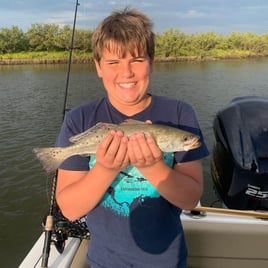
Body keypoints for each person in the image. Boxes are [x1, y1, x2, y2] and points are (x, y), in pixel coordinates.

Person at [55, 7, 209, 268]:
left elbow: (189, 199)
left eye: (136, 60)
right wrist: (105, 168)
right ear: (98, 67)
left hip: (169, 261)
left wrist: (152, 166)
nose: (126, 73)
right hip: (104, 261)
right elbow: (70, 210)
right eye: (113, 63)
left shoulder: (180, 114)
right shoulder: (79, 119)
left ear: (152, 60)